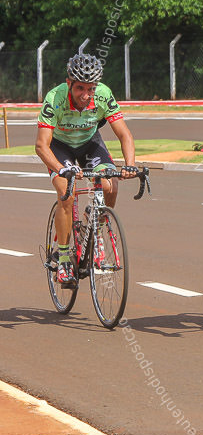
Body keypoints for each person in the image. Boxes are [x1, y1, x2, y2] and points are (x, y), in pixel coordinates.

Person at [36, 53, 139, 285]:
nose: (85, 95)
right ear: (69, 83)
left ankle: (93, 228)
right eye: (80, 88)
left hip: (90, 144)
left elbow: (124, 134)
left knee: (109, 184)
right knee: (66, 192)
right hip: (60, 147)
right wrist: (61, 170)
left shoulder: (103, 94)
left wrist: (130, 164)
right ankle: (63, 258)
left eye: (90, 89)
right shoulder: (55, 98)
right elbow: (41, 146)